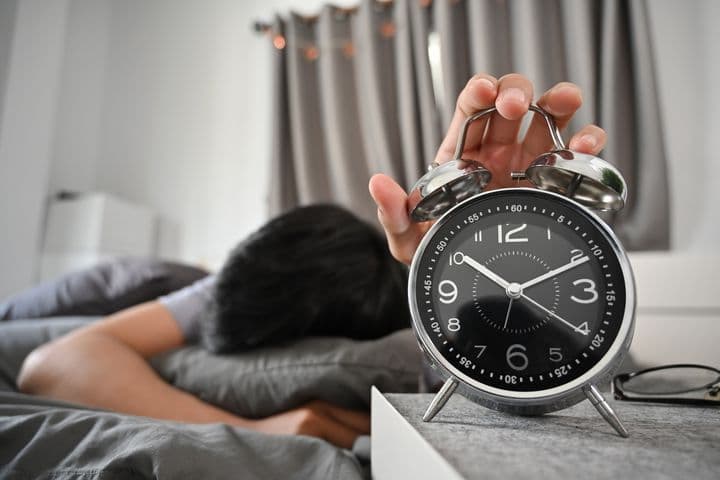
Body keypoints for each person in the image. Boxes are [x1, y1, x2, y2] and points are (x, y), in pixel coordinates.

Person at [18, 73, 607, 449]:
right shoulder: (232, 285)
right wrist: (249, 430)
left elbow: (588, 368)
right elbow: (52, 361)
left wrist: (494, 246)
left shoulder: (388, 303)